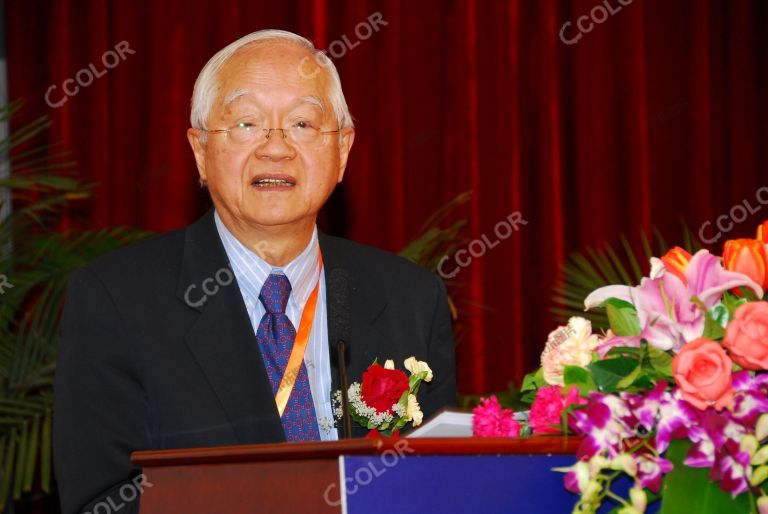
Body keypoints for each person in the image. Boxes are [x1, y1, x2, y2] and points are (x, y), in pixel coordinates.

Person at [53, 29, 456, 514]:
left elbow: (441, 488)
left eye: (303, 124)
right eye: (246, 123)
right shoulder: (117, 301)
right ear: (200, 149)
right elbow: (101, 502)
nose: (276, 148)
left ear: (343, 149)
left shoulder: (411, 298)